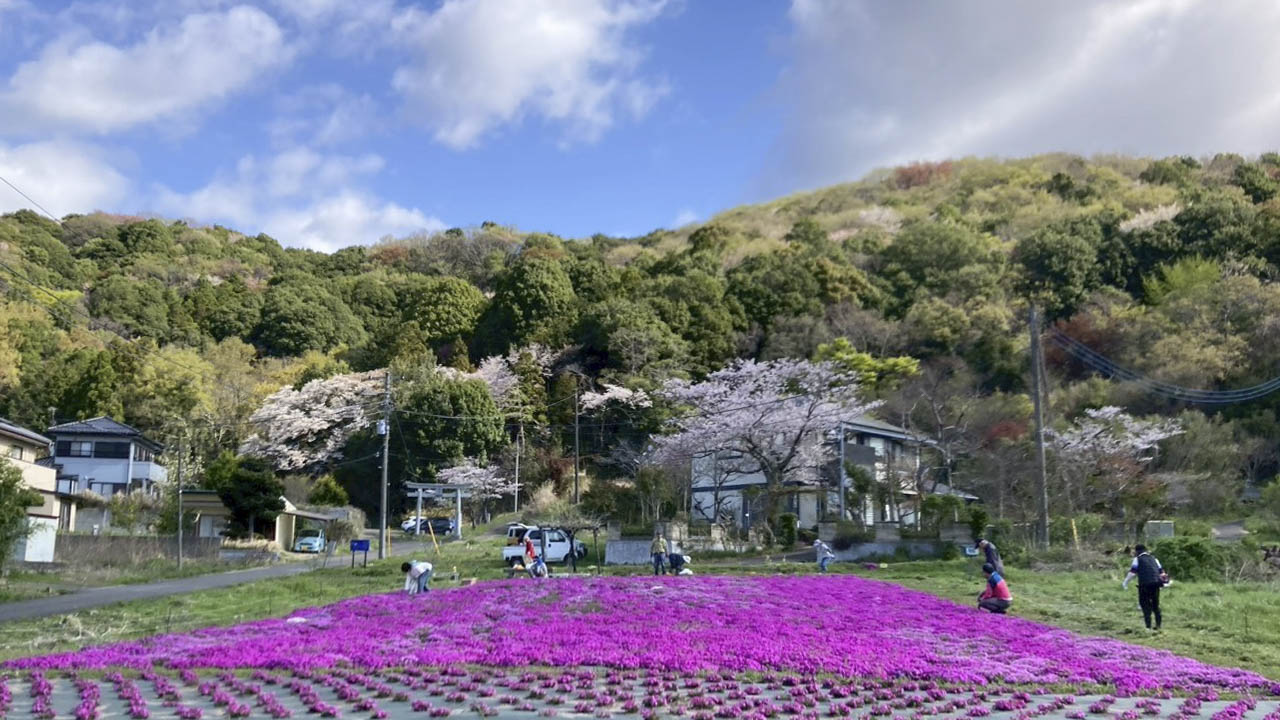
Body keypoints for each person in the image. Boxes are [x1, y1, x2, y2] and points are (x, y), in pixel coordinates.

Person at [1123, 544, 1166, 630]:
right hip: (1156, 584)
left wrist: (1125, 582)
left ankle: (1148, 627)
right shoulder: (1155, 559)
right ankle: (1158, 626)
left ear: (1137, 551)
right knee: (1155, 605)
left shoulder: (1137, 559)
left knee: (1145, 605)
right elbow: (1162, 573)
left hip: (1144, 585)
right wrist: (1164, 583)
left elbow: (1132, 573)